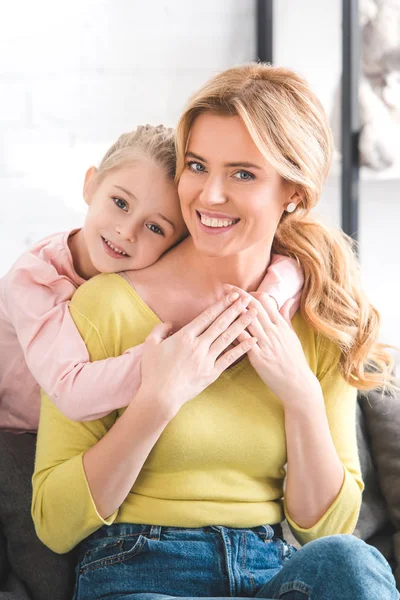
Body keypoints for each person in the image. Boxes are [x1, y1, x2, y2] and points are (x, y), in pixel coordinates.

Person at [32, 63, 399, 600]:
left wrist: (299, 393)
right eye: (197, 166)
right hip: (139, 573)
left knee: (351, 561)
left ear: (293, 192)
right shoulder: (105, 307)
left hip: (274, 572)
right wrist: (156, 400)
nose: (209, 195)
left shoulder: (319, 315)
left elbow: (327, 529)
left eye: (243, 174)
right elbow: (53, 522)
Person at [0, 124, 302, 600]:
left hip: (73, 430)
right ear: (90, 185)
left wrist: (262, 301)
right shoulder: (34, 280)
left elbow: (291, 263)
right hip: (15, 432)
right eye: (120, 203)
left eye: (156, 227)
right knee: (41, 563)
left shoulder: (130, 275)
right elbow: (74, 392)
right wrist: (169, 362)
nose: (126, 231)